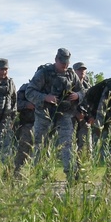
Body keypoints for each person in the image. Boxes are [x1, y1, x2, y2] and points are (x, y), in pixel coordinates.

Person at [27, 48, 88, 183]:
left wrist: (78, 95)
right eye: (62, 63)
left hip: (65, 114)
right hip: (44, 114)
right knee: (40, 144)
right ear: (56, 59)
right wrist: (45, 97)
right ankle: (39, 175)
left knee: (67, 143)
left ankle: (71, 174)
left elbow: (83, 91)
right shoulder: (44, 73)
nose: (64, 66)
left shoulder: (72, 74)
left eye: (66, 63)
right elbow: (29, 92)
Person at [13, 83, 35, 179]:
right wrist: (26, 105)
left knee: (44, 149)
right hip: (28, 124)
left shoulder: (50, 88)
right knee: (23, 149)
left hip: (45, 125)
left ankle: (42, 173)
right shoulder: (26, 88)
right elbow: (15, 104)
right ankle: (16, 172)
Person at [72, 61, 94, 158]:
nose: (82, 72)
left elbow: (93, 103)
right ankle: (73, 169)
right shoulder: (69, 84)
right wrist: (76, 113)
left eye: (84, 70)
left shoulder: (88, 87)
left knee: (86, 146)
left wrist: (92, 116)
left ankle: (84, 169)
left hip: (85, 120)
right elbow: (64, 102)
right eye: (79, 70)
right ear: (74, 71)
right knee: (72, 146)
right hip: (71, 119)